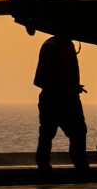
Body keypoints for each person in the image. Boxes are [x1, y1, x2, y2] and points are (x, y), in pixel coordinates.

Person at [34, 34, 88, 174]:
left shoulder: (54, 45)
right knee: (77, 131)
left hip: (55, 97)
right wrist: (69, 88)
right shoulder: (60, 46)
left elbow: (41, 79)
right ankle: (80, 166)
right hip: (63, 98)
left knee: (48, 133)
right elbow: (55, 76)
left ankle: (44, 166)